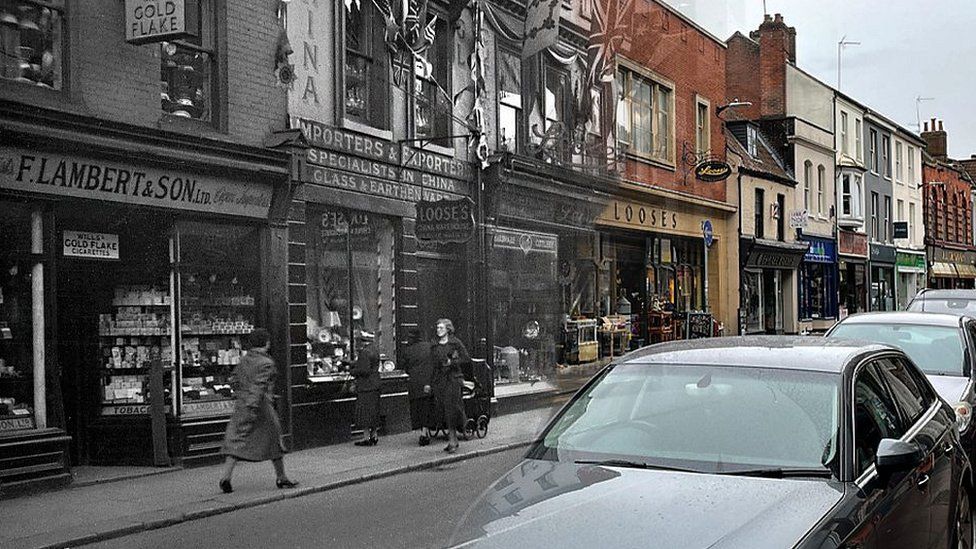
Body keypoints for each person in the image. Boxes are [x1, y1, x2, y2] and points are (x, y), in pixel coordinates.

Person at [218, 328, 297, 493]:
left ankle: (226, 477)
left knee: (237, 441)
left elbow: (233, 380)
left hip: (242, 405)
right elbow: (259, 387)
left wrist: (241, 396)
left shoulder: (245, 360)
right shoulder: (266, 363)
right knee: (274, 441)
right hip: (260, 407)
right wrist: (252, 406)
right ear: (266, 343)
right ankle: (281, 477)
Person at [430, 318, 470, 454]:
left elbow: (466, 358)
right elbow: (433, 366)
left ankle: (453, 440)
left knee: (451, 409)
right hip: (440, 381)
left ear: (448, 329)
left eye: (441, 328)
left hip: (453, 380)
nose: (438, 330)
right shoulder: (434, 345)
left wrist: (452, 362)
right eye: (437, 328)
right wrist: (430, 383)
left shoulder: (455, 343)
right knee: (443, 410)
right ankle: (454, 437)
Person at [401, 327, 434, 445]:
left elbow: (404, 366)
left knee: (417, 408)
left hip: (414, 383)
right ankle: (425, 432)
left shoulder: (408, 350)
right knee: (427, 408)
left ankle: (421, 432)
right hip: (427, 382)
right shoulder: (429, 347)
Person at [351, 330, 382, 446]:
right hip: (375, 384)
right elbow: (370, 364)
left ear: (363, 341)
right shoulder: (374, 349)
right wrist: (353, 363)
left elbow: (364, 370)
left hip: (366, 386)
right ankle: (374, 436)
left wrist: (352, 371)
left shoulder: (364, 352)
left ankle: (366, 438)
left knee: (365, 413)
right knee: (373, 412)